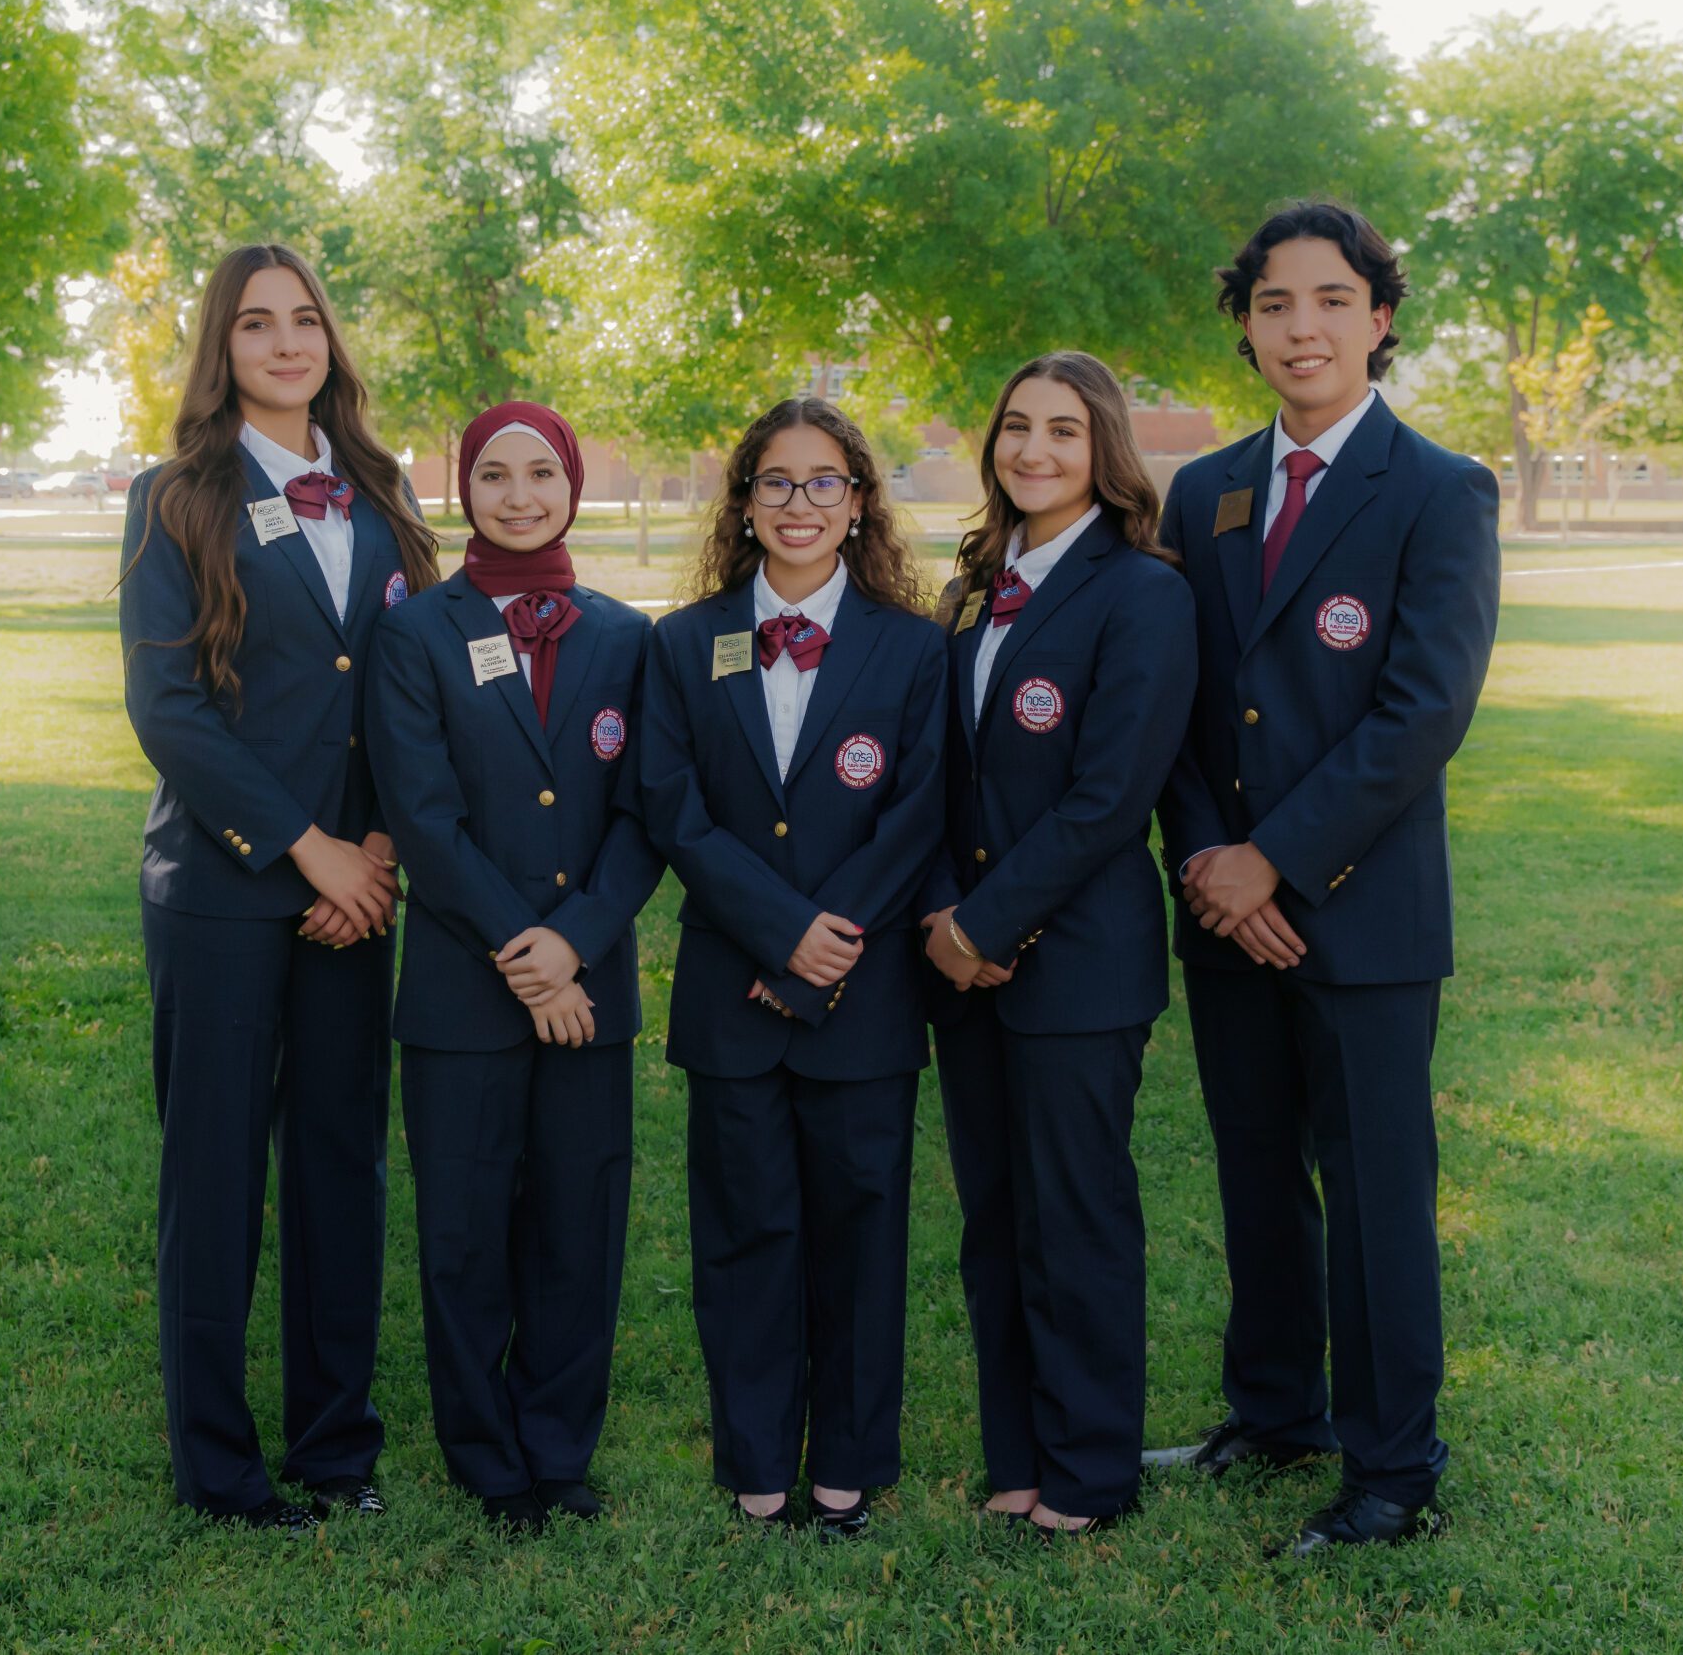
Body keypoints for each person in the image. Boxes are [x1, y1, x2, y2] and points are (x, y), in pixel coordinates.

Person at [1148, 200, 1501, 1556]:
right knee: (1253, 1173)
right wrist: (1210, 865)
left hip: (1361, 915)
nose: (1304, 326)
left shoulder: (1438, 488)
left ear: (1382, 318)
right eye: (1276, 302)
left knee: (1374, 1192)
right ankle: (1276, 1410)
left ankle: (1392, 1468)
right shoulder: (1208, 487)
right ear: (1245, 324)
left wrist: (1275, 861)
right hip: (1226, 912)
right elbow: (1174, 702)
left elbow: (1421, 712)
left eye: (1332, 300)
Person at [116, 242, 442, 1531]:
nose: (285, 343)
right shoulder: (173, 495)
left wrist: (383, 852)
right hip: (225, 887)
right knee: (214, 1175)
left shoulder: (381, 486)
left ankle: (336, 1446)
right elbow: (172, 710)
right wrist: (306, 845)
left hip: (357, 890)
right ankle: (218, 1464)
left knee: (339, 1163)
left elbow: (405, 687)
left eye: (304, 319)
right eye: (256, 325)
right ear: (223, 348)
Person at [636, 398, 946, 1537]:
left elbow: (915, 815)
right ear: (745, 503)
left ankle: (847, 1464)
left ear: (859, 503)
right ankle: (758, 1457)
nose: (800, 503)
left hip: (859, 995)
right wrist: (777, 933)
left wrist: (826, 945)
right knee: (744, 1228)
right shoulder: (683, 642)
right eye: (775, 482)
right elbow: (670, 807)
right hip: (734, 993)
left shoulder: (914, 646)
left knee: (861, 1231)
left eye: (825, 483)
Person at [368, 401, 662, 1533]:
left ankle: (558, 1445)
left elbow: (646, 815)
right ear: (463, 489)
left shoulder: (626, 636)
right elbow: (425, 818)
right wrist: (526, 955)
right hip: (461, 990)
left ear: (575, 485)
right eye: (495, 473)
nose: (521, 492)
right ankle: (485, 1452)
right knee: (465, 1226)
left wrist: (576, 941)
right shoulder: (417, 632)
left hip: (592, 988)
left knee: (576, 1226)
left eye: (543, 471)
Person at [921, 351, 1197, 1535]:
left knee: (1073, 1215)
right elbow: (934, 772)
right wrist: (944, 917)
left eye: (1063, 433)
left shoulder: (1143, 591)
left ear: (1105, 452)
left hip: (1076, 959)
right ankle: (1018, 1455)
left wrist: (986, 921)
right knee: (993, 1213)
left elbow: (1108, 795)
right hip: (960, 960)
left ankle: (1090, 1470)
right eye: (1015, 428)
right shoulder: (975, 586)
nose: (1033, 451)